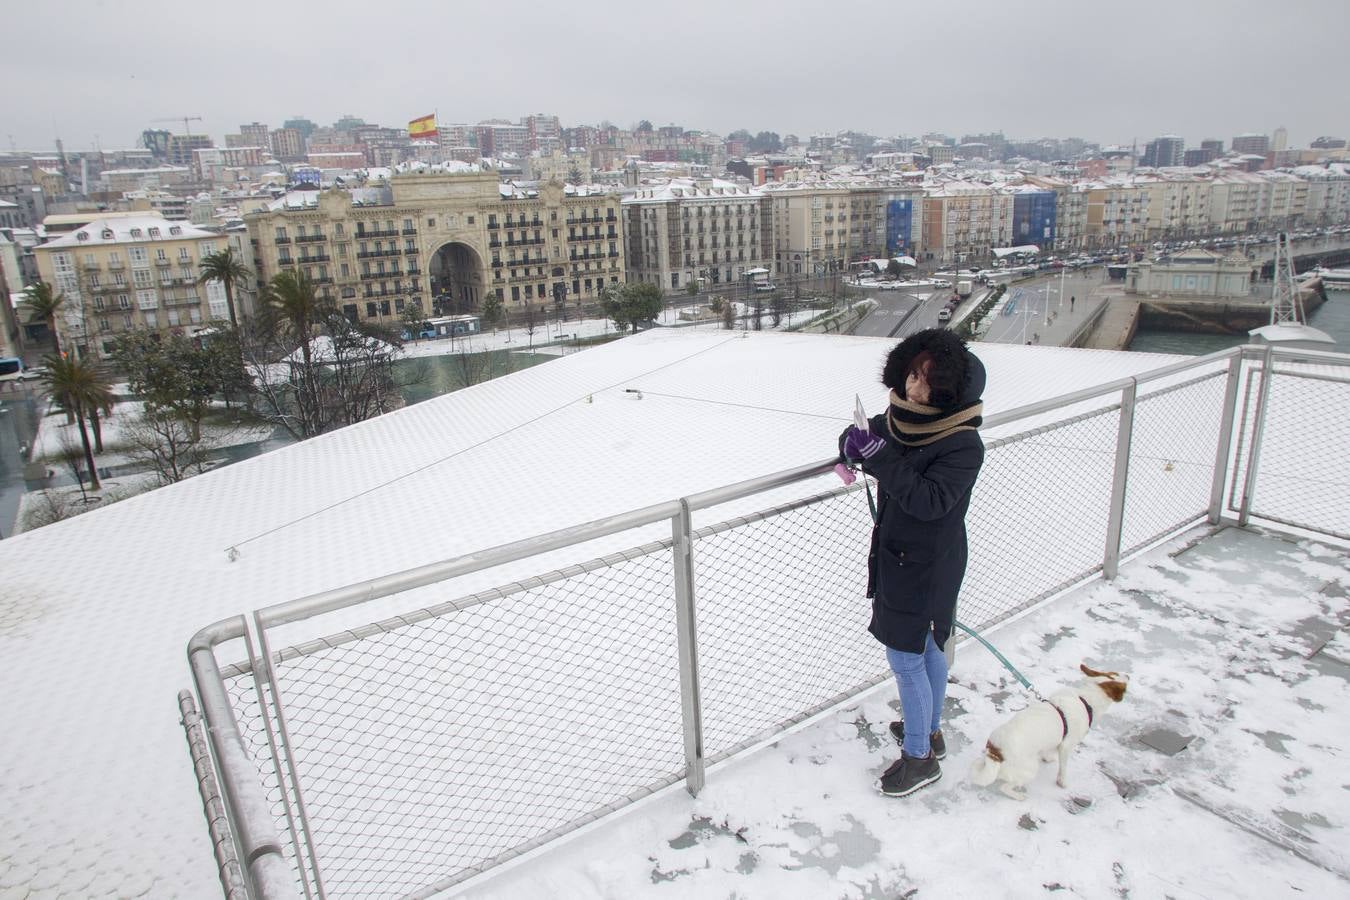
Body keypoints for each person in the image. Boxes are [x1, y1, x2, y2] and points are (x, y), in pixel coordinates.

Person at [839, 328, 986, 797]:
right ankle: (932, 732)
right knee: (927, 648)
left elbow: (929, 501)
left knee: (907, 657)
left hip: (928, 565)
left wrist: (881, 459)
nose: (913, 388)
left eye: (926, 381)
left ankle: (920, 757)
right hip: (899, 557)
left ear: (951, 391)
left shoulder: (962, 443)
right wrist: (852, 444)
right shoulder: (904, 420)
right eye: (911, 375)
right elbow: (872, 436)